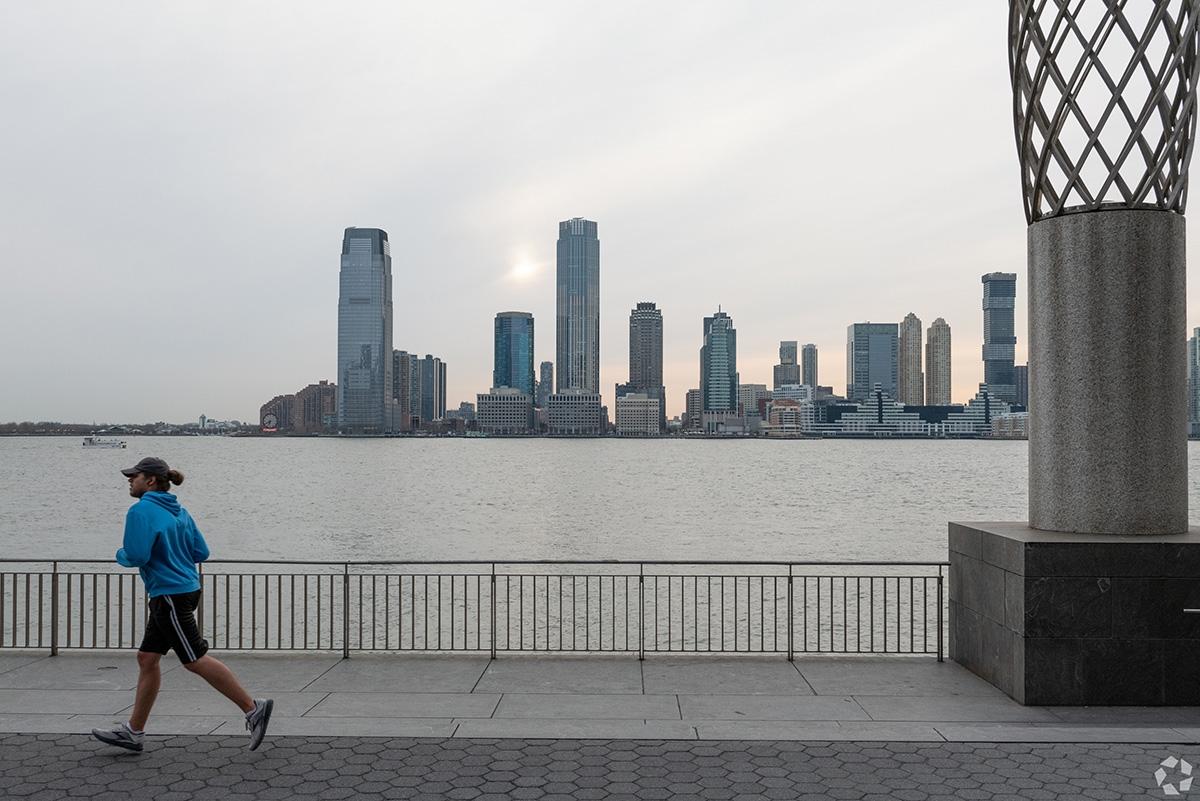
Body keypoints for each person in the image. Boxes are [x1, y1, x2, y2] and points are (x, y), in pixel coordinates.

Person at [92, 456, 273, 752]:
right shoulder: (180, 511)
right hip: (186, 589)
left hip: (169, 595)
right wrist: (173, 553)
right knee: (147, 658)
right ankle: (133, 732)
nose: (129, 480)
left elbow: (136, 555)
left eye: (134, 476)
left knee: (194, 659)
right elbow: (201, 551)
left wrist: (120, 554)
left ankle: (253, 709)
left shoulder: (141, 510)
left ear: (150, 480)